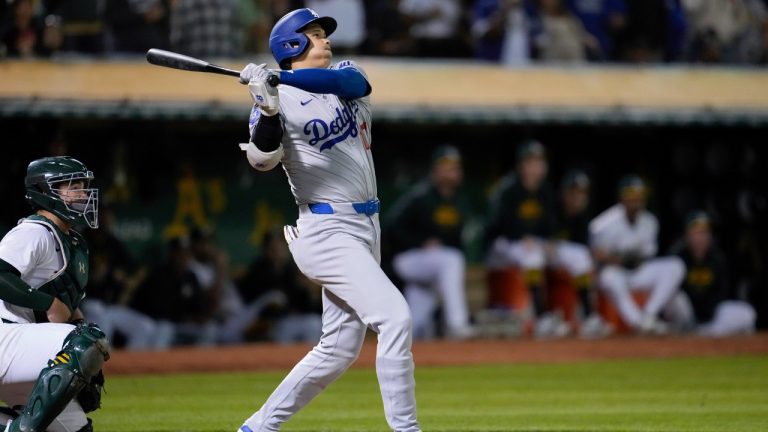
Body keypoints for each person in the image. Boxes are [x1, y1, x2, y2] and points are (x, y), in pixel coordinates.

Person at [236, 8, 420, 432]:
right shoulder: (274, 100)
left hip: (367, 227)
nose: (325, 40)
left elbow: (349, 83)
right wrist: (266, 109)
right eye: (315, 35)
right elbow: (263, 160)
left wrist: (277, 79)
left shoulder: (344, 76)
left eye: (322, 34)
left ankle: (257, 427)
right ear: (292, 45)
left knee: (338, 349)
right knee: (395, 317)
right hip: (326, 228)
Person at [0, 156, 110, 432]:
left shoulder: (71, 240)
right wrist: (48, 304)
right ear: (47, 191)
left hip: (21, 347)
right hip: (4, 339)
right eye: (73, 186)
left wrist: (88, 366)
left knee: (76, 430)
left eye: (84, 186)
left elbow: (68, 307)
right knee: (85, 341)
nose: (83, 194)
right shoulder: (33, 231)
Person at [385, 145, 474, 340]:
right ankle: (457, 324)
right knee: (452, 259)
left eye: (455, 167)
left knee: (414, 328)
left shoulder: (459, 200)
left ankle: (405, 342)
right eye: (447, 166)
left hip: (433, 266)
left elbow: (457, 239)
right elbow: (391, 227)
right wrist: (419, 243)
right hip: (408, 258)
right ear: (435, 169)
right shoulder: (420, 196)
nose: (452, 171)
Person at [484, 140, 567, 338]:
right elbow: (497, 224)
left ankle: (589, 317)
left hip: (531, 244)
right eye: (530, 163)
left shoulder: (545, 191)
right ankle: (540, 317)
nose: (535, 168)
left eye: (538, 162)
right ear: (521, 166)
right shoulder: (507, 189)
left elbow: (551, 225)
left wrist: (551, 240)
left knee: (578, 256)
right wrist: (522, 237)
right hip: (501, 246)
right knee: (532, 257)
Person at [589, 175, 686, 334]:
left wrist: (623, 258)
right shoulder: (605, 223)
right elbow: (596, 255)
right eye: (631, 195)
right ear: (622, 197)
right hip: (616, 273)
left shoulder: (650, 221)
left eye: (639, 195)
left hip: (638, 270)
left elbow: (647, 255)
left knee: (676, 266)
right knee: (608, 277)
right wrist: (616, 259)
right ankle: (637, 322)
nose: (635, 200)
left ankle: (648, 316)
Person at [669, 211, 756, 336]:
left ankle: (705, 334)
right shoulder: (678, 256)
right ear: (687, 235)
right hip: (686, 315)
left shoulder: (717, 258)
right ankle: (686, 333)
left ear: (709, 235)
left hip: (711, 315)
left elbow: (722, 291)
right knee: (677, 298)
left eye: (703, 233)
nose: (699, 238)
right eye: (695, 233)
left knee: (748, 313)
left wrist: (708, 310)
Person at [554, 169, 610, 338]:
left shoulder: (582, 217)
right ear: (564, 193)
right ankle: (585, 316)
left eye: (582, 193)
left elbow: (584, 246)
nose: (578, 197)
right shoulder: (553, 209)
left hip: (567, 262)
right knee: (580, 257)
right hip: (543, 252)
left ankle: (587, 316)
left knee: (585, 259)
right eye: (574, 192)